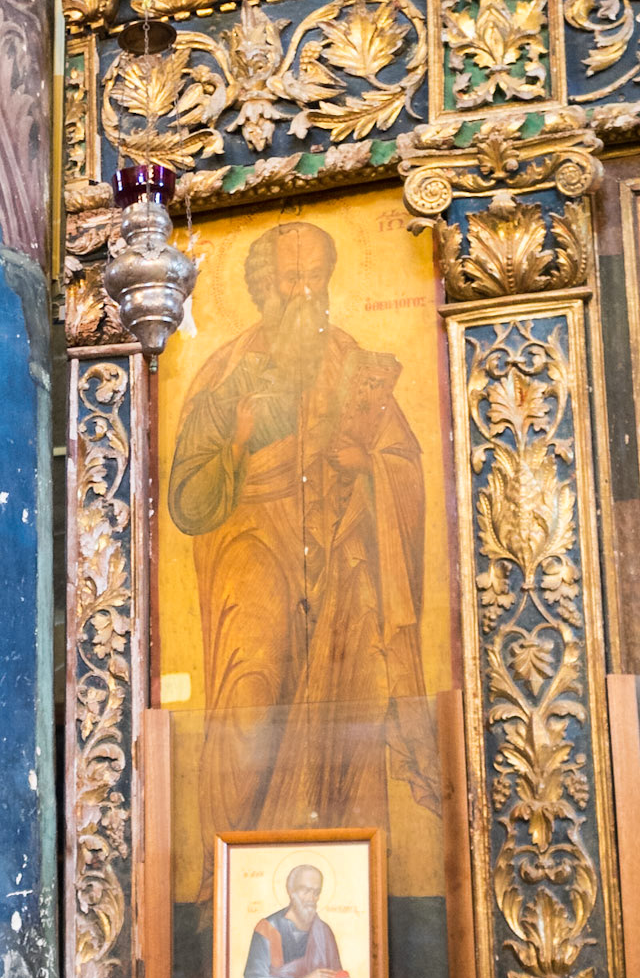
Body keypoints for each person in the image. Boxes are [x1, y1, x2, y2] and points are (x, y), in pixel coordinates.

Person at [167, 223, 439, 920]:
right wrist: (238, 438)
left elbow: (403, 463)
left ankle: (352, 908)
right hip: (251, 550)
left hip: (338, 563)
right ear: (263, 287)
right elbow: (188, 495)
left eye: (316, 275)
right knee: (247, 703)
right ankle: (218, 899)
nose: (304, 290)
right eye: (291, 277)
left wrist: (370, 470)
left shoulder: (353, 361)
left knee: (340, 720)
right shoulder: (227, 368)